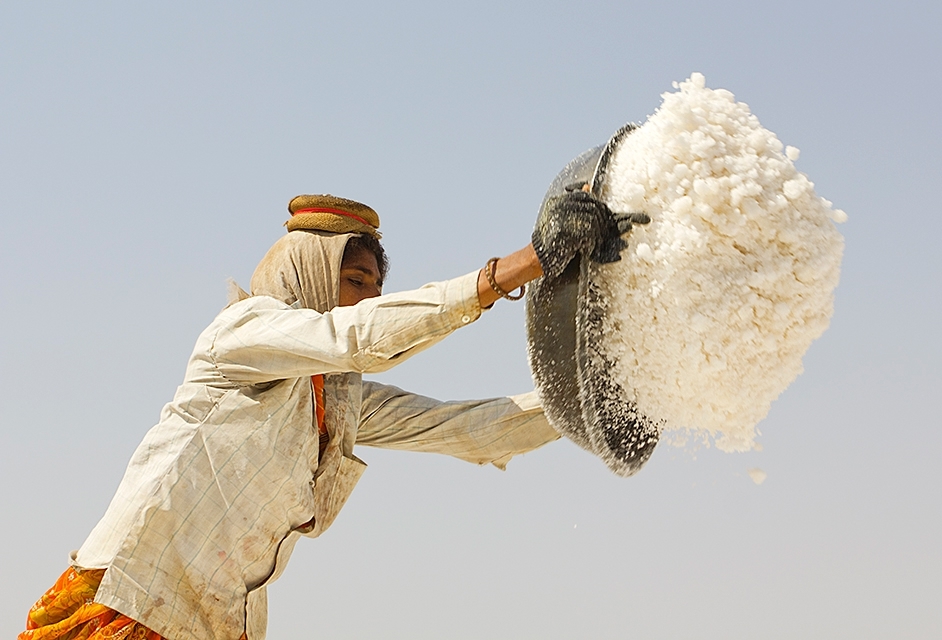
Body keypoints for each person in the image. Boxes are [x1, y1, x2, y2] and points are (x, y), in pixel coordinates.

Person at [19, 190, 637, 640]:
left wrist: (618, 392)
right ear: (308, 273)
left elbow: (466, 428)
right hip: (131, 599)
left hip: (217, 625)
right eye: (356, 280)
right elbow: (356, 337)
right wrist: (524, 264)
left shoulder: (335, 401)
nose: (368, 299)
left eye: (374, 289)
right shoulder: (241, 335)